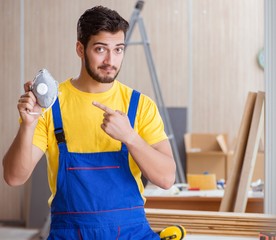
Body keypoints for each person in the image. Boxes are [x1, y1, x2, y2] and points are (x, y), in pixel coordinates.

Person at [2, 5, 176, 239]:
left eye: (118, 50)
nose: (110, 60)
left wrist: (130, 137)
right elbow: (14, 177)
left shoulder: (140, 106)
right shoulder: (51, 105)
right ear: (80, 49)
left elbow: (166, 179)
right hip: (70, 232)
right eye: (101, 49)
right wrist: (28, 124)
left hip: (130, 233)